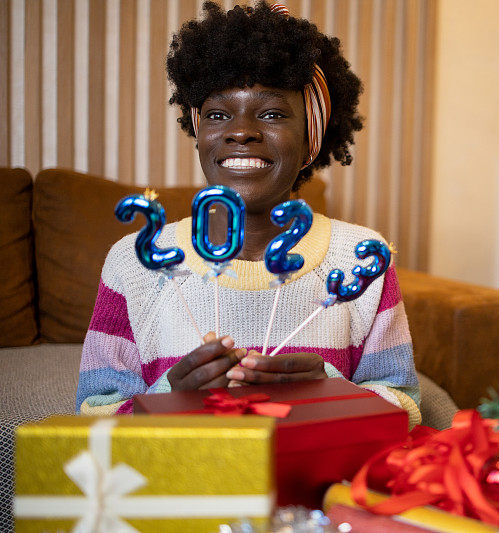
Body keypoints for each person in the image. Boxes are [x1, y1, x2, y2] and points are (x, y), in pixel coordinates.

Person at [76, 1, 421, 427]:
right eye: (219, 114)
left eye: (273, 114)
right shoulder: (132, 263)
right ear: (198, 131)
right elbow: (93, 417)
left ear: (311, 138)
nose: (241, 131)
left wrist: (329, 391)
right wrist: (171, 399)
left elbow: (403, 409)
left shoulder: (362, 260)